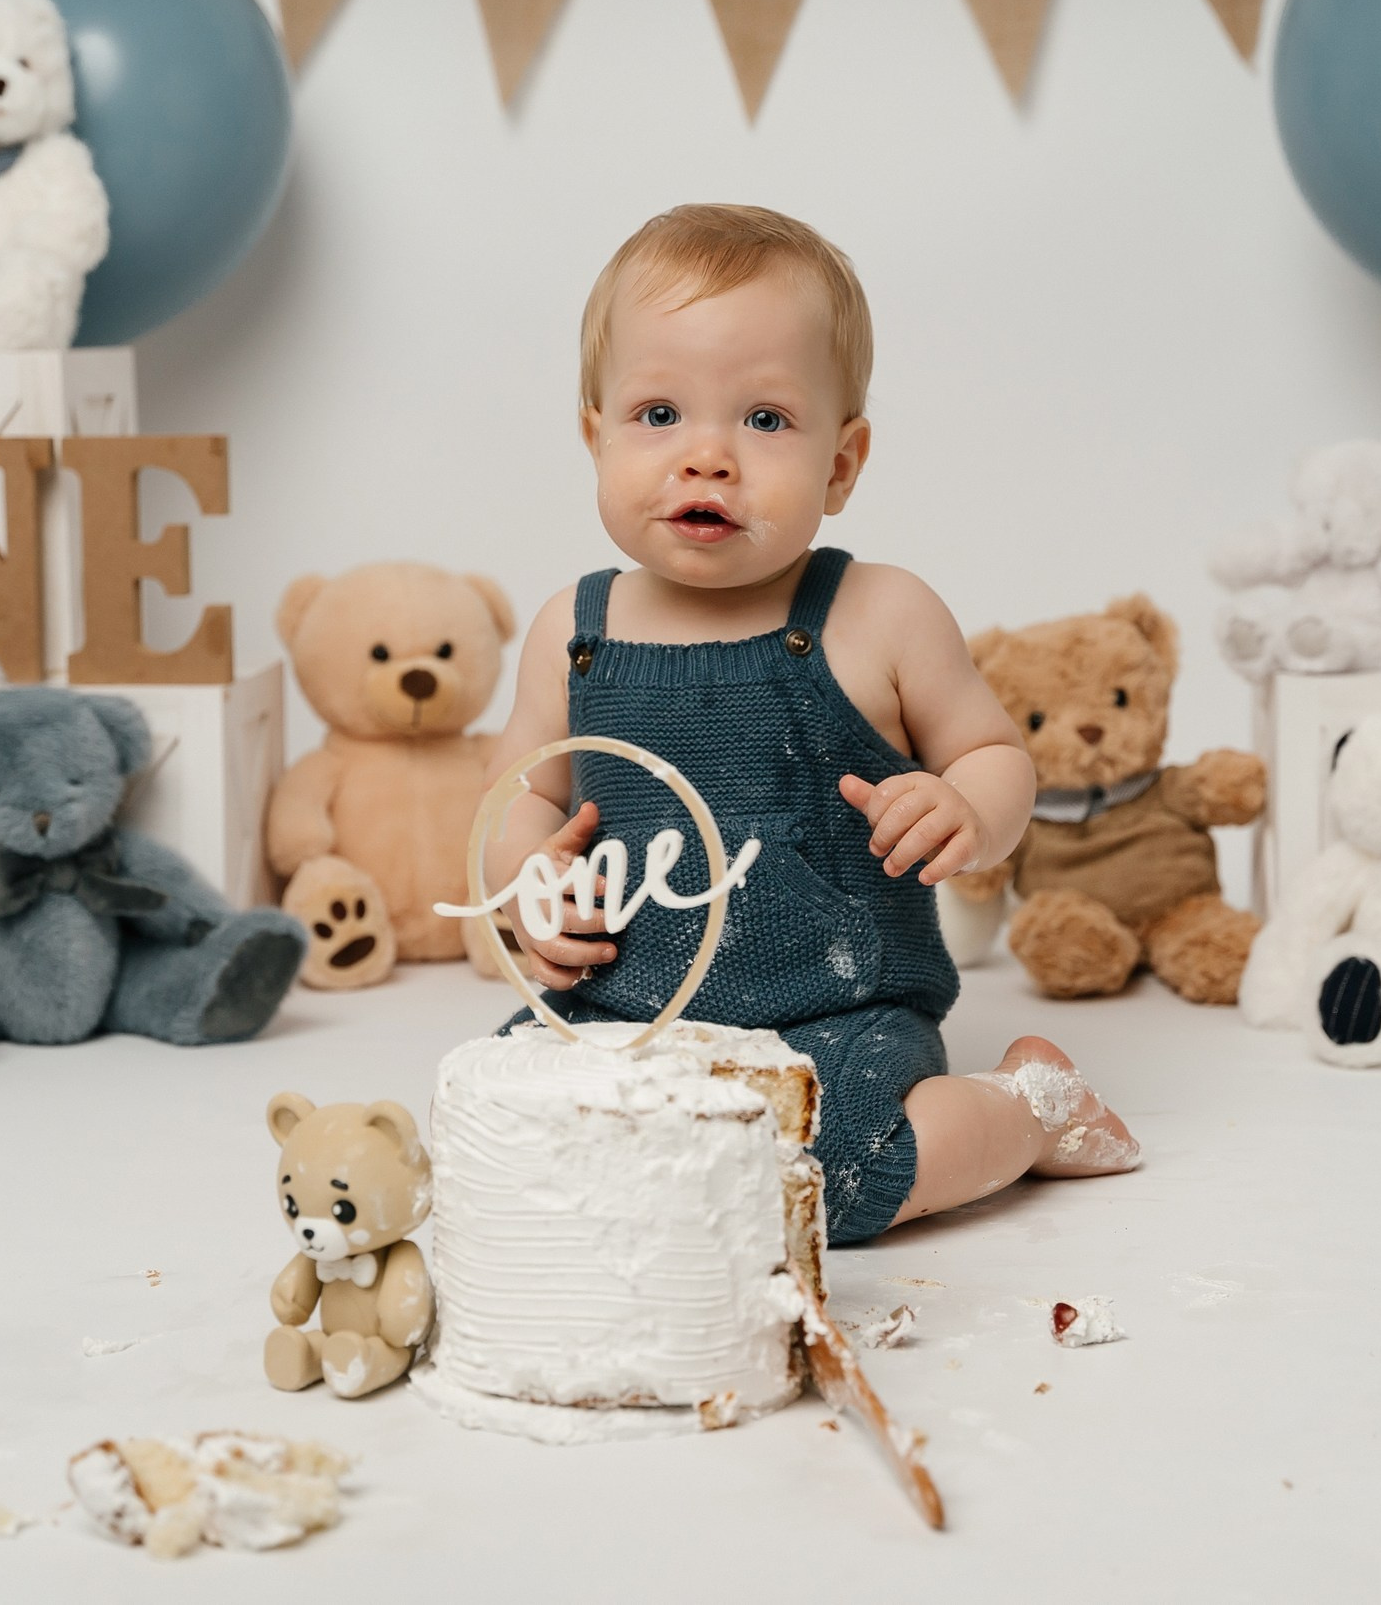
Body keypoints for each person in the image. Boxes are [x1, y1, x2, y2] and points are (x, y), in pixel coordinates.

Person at [478, 203, 1141, 1244]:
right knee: (509, 1121)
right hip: (626, 1012)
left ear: (840, 463)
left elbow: (996, 753)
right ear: (592, 433)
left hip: (832, 1020)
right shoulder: (574, 628)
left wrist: (964, 803)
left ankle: (1025, 1110)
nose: (707, 457)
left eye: (765, 420)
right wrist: (531, 891)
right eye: (658, 415)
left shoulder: (878, 615)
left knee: (833, 1170)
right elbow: (519, 802)